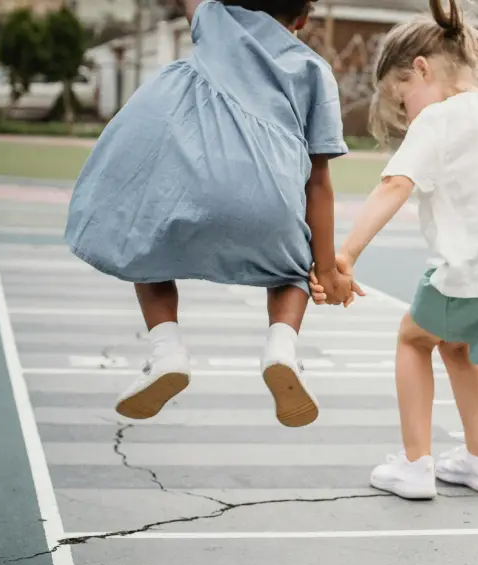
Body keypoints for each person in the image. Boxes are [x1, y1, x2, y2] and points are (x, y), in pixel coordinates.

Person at [311, 0, 478, 500]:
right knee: (458, 345)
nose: (407, 114)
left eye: (401, 98)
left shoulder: (440, 120)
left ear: (422, 70)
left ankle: (414, 465)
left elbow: (394, 186)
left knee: (413, 338)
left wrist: (345, 256)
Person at [65, 0, 359, 428]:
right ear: (303, 19)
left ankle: (167, 349)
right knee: (292, 268)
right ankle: (281, 347)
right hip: (267, 201)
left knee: (143, 241)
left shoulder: (214, 19)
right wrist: (327, 268)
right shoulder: (314, 70)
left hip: (188, 184)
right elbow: (319, 181)